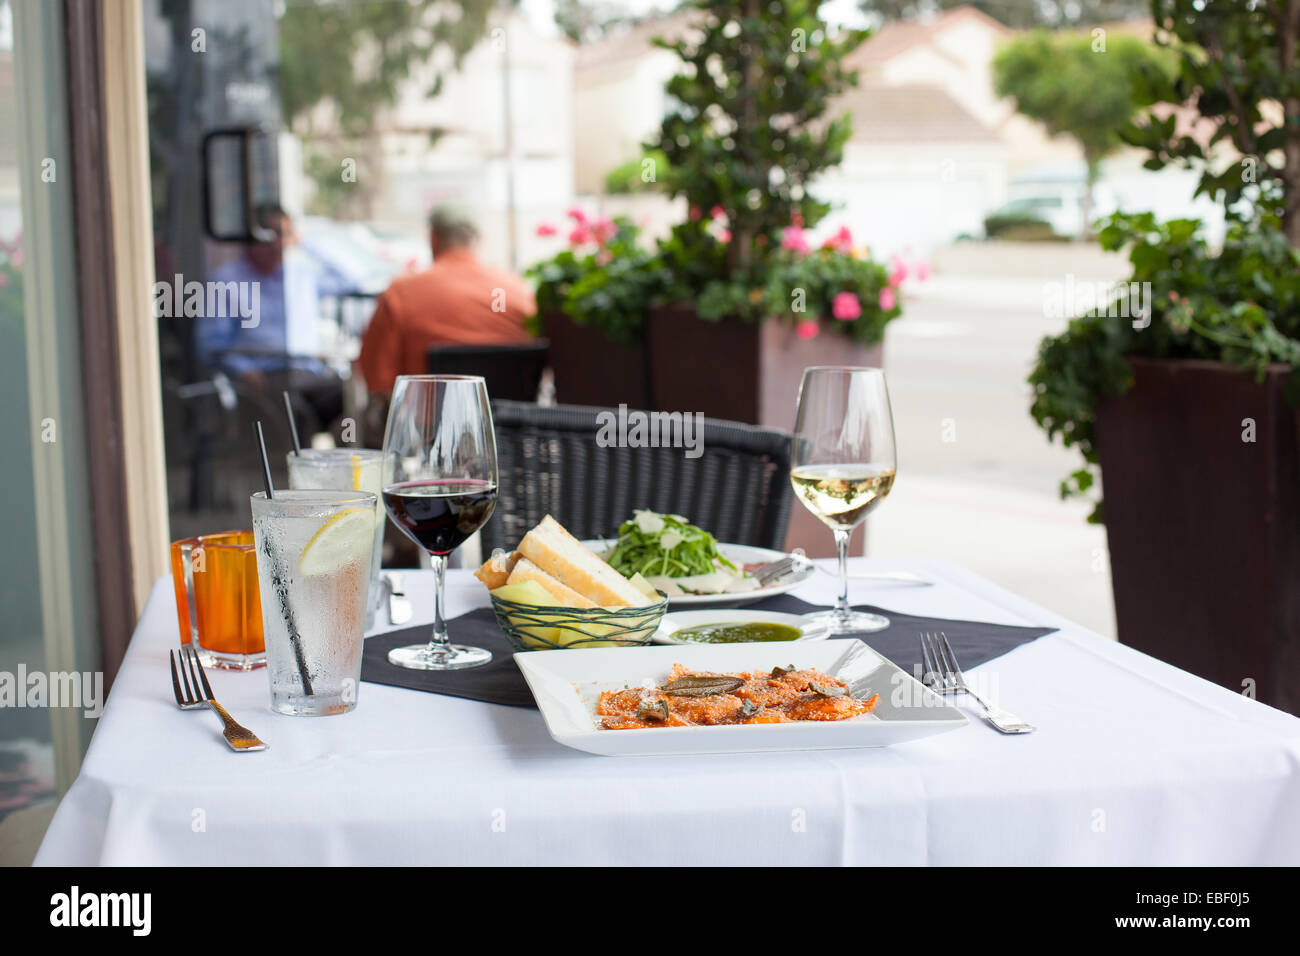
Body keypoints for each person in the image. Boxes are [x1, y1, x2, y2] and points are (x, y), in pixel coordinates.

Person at [195, 204, 352, 433]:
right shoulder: (226, 281)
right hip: (263, 378)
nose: (277, 244)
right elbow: (209, 344)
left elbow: (351, 279)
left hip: (307, 372)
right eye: (270, 234)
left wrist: (304, 241)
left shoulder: (300, 274)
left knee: (350, 403)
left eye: (284, 234)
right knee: (295, 414)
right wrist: (243, 370)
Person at [357, 205, 536, 397]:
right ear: (478, 239)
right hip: (510, 420)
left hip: (427, 424)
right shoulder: (518, 290)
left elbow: (377, 379)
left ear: (433, 238)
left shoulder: (400, 293)